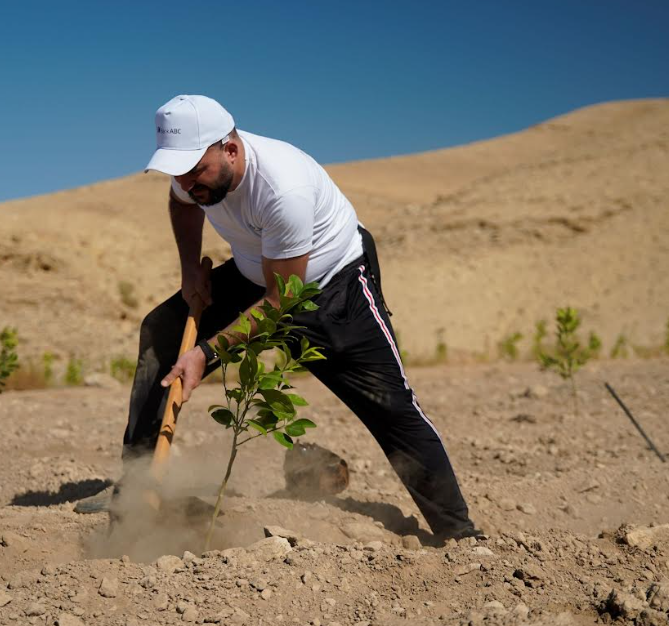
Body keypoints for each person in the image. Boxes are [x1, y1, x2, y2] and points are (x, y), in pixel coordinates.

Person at [98, 94, 482, 542]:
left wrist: (206, 353)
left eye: (195, 171)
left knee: (390, 406)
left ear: (231, 150)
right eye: (178, 172)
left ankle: (459, 535)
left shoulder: (283, 188)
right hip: (255, 273)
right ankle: (139, 491)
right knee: (162, 332)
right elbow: (182, 204)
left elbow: (284, 299)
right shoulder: (193, 175)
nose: (187, 182)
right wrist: (189, 270)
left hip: (330, 287)